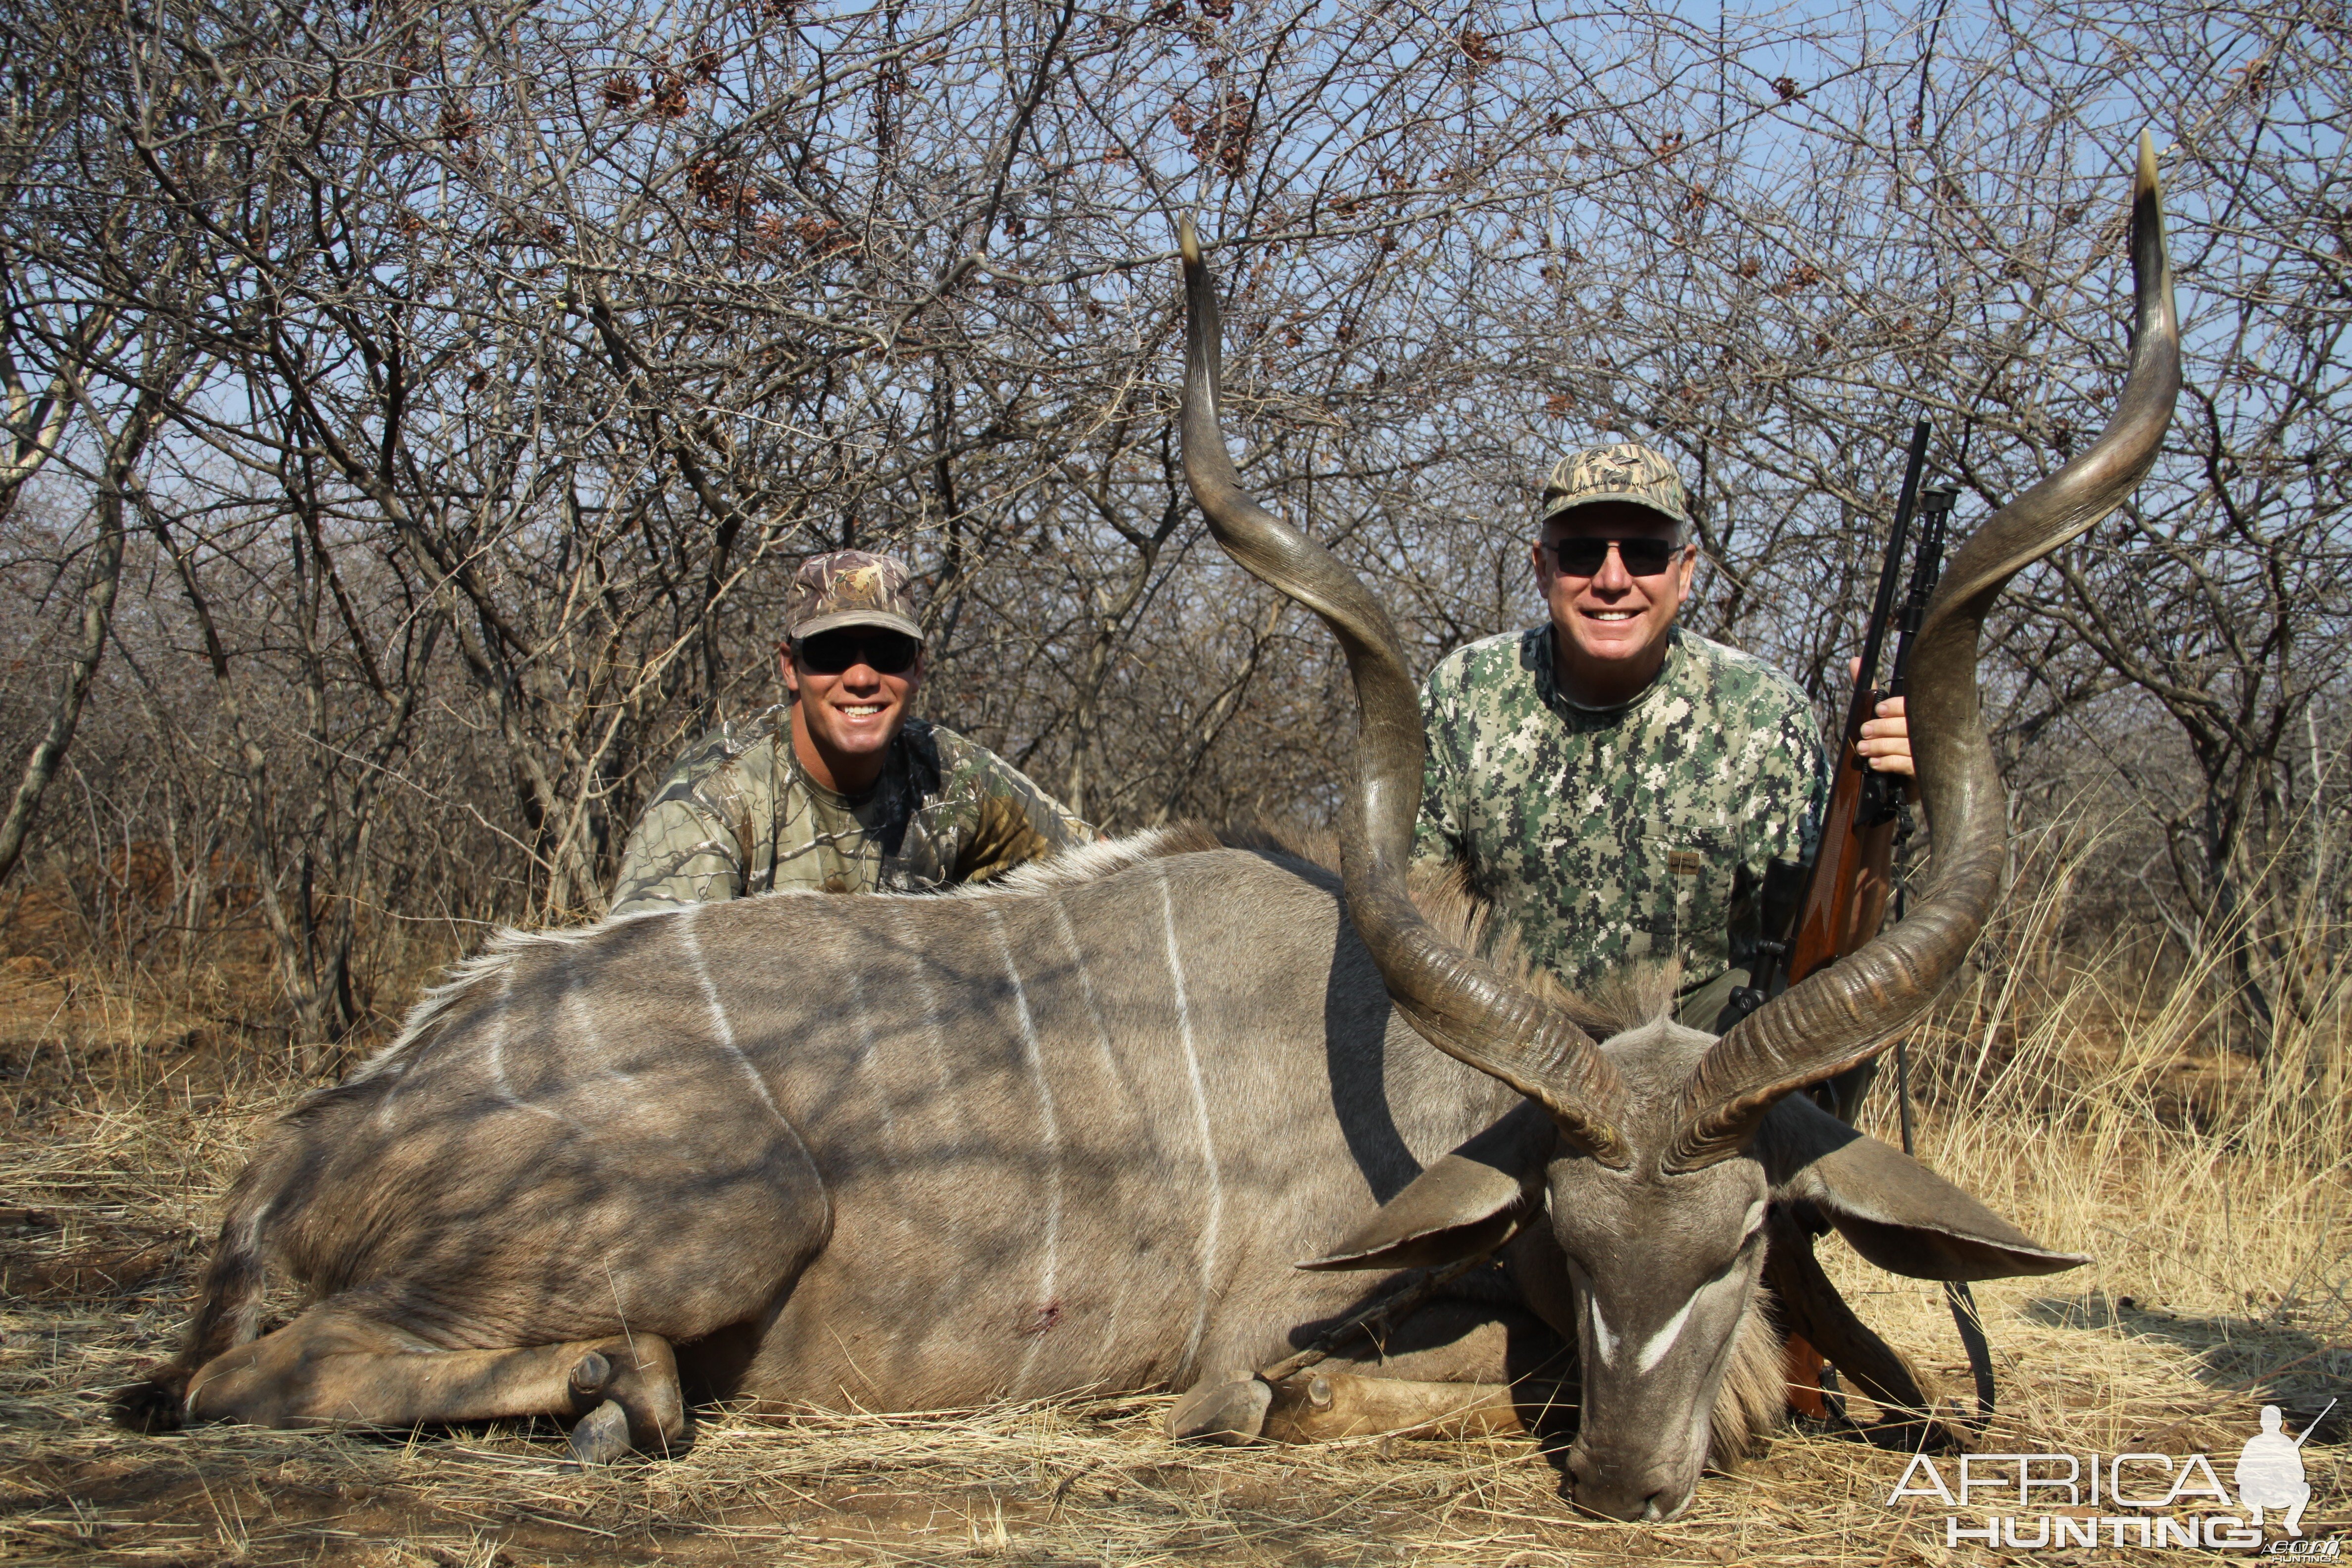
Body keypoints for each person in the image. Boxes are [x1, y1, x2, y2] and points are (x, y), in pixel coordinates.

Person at [1413, 441, 1914, 1029]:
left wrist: (1880, 803)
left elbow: (1828, 946)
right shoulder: (1465, 690)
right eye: (1580, 553)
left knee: (1825, 1016)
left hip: (1686, 1043)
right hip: (1511, 1031)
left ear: (1686, 571)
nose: (1613, 579)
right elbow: (1411, 908)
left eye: (1647, 554)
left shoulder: (1759, 709)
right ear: (1542, 567)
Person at [609, 549, 1096, 915]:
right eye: (830, 653)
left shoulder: (953, 774)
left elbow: (1109, 877)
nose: (862, 679)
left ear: (918, 668)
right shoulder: (714, 798)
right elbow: (645, 989)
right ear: (790, 667)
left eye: (888, 654)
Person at [2234, 1405, 2312, 1536]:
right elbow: (2240, 1474)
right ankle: (2257, 1515)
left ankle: (2291, 1522)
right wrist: (2259, 1478)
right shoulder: (2255, 1443)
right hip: (2259, 1494)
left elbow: (2300, 1475)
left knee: (2305, 1488)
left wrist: (2285, 1478)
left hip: (2281, 1494)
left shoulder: (2287, 1444)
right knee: (2245, 1488)